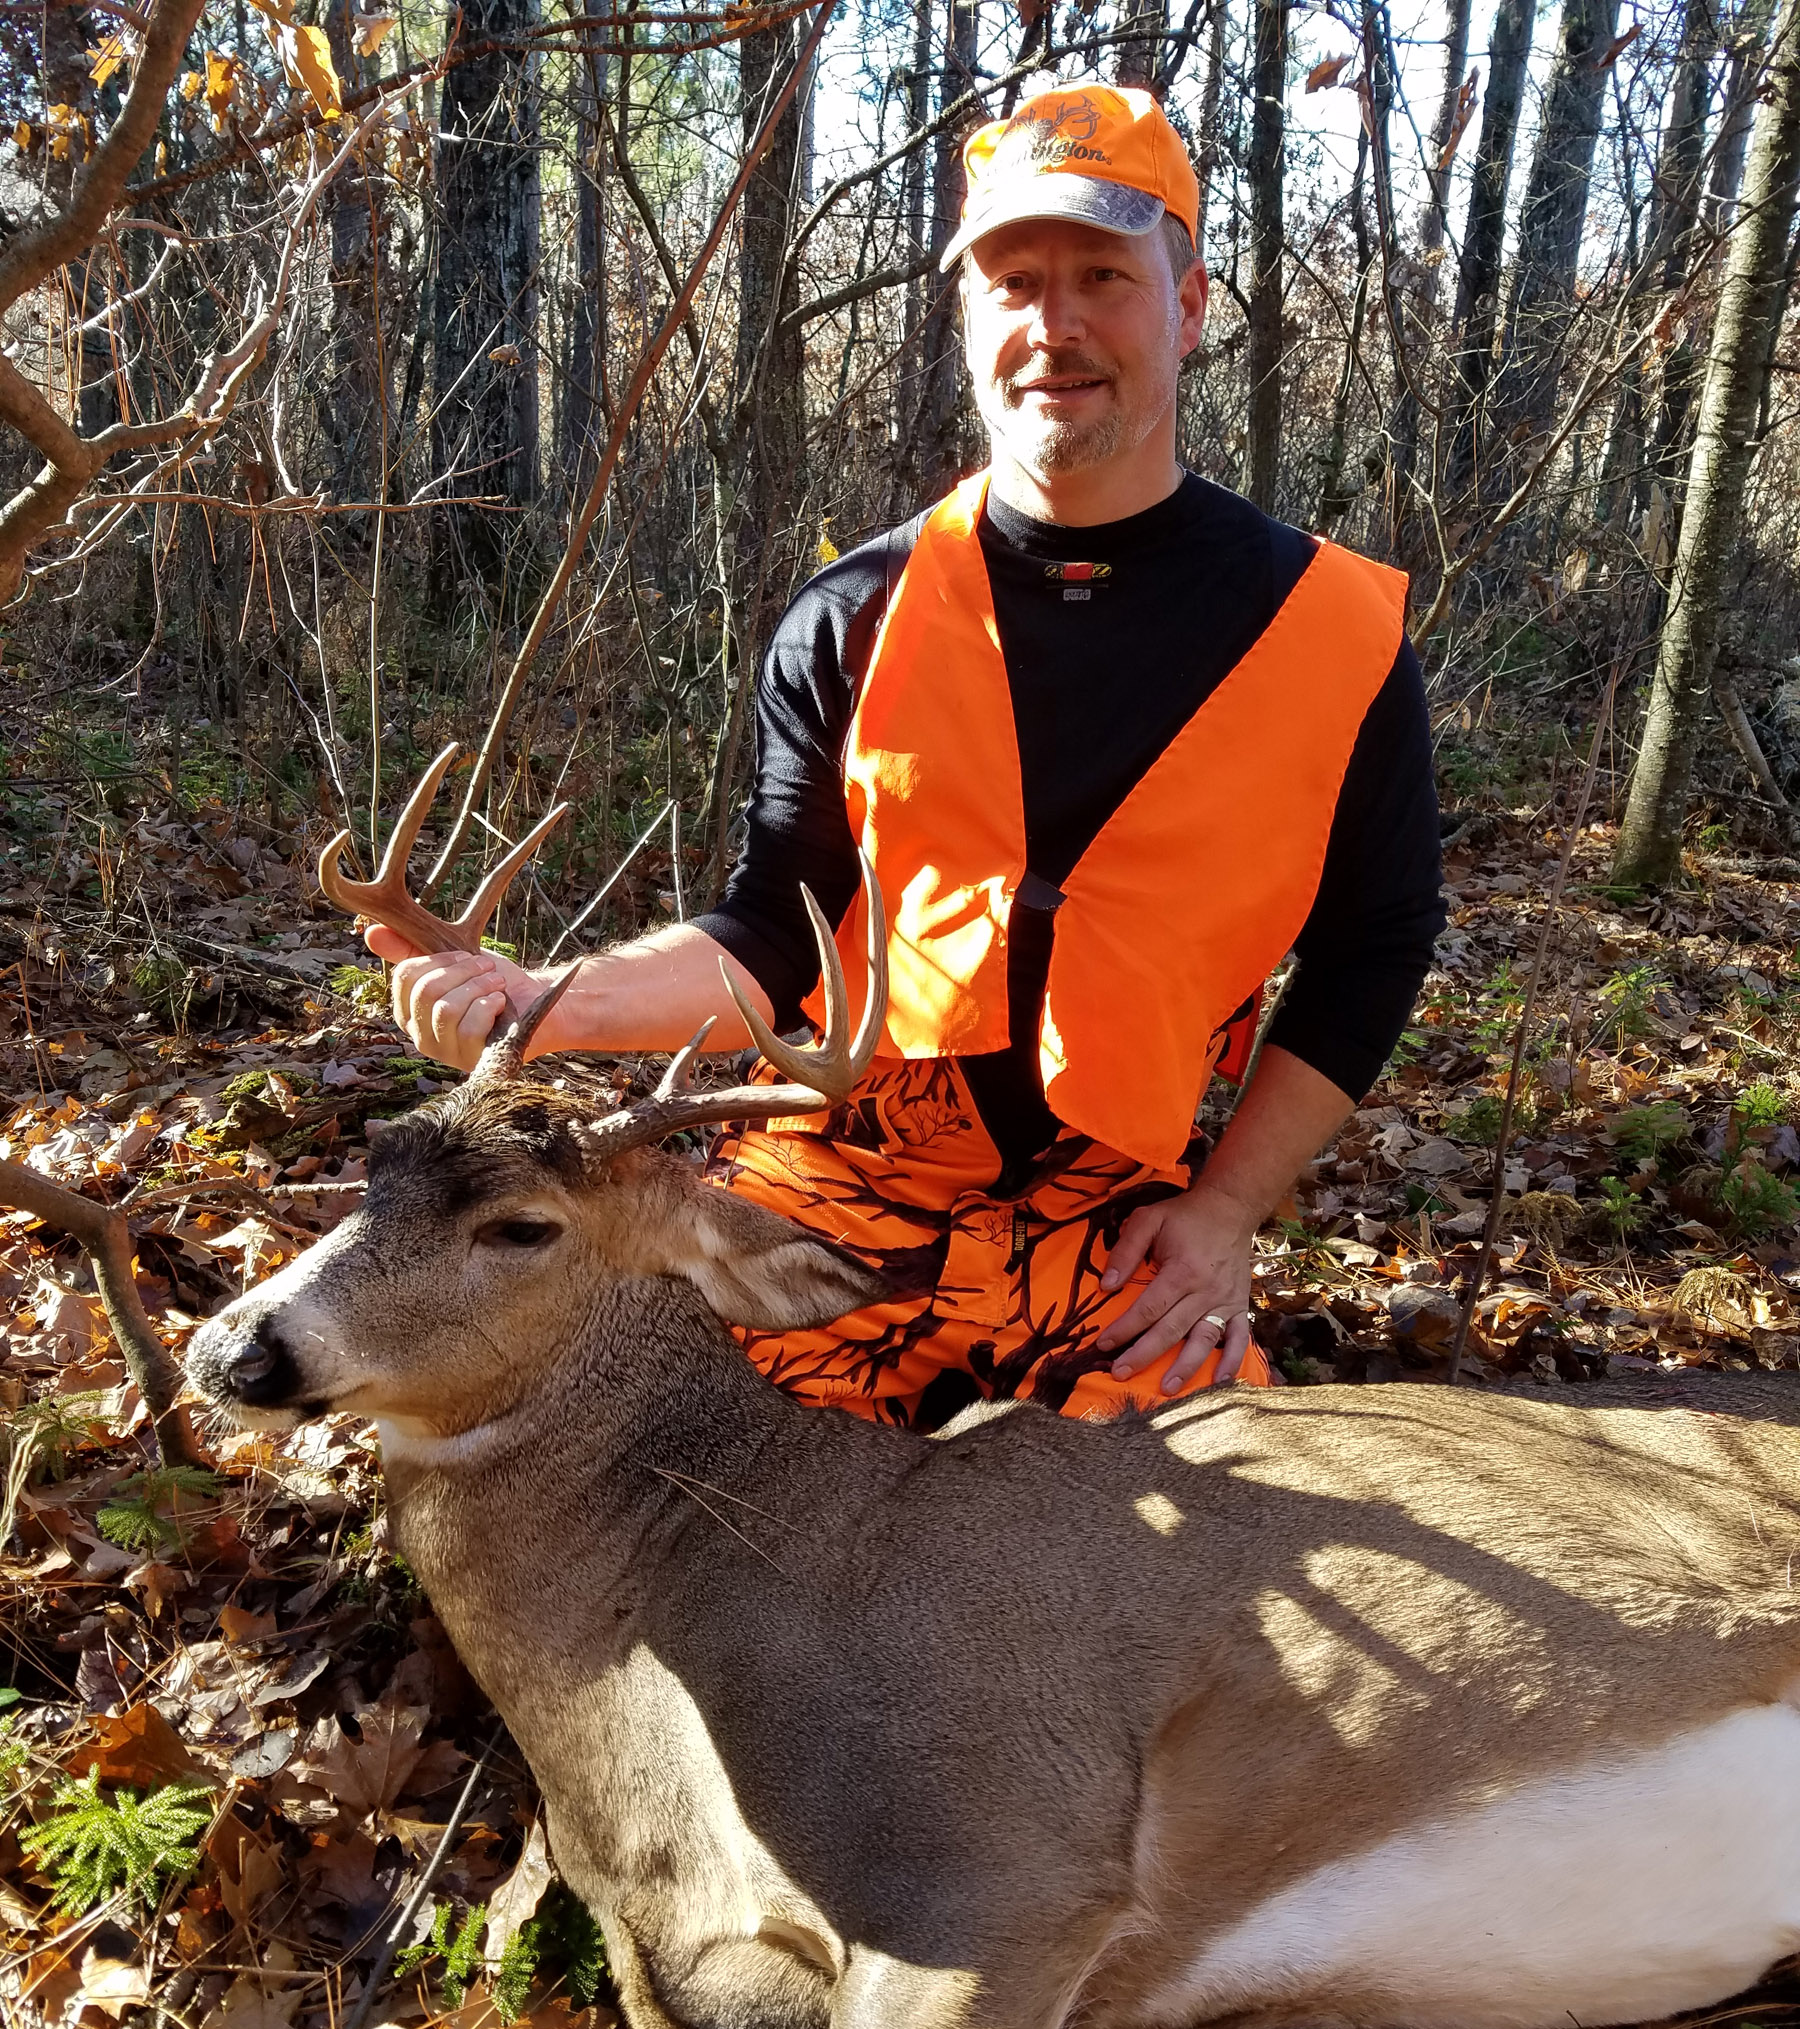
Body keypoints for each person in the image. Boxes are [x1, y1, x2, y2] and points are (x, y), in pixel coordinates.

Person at [367, 82, 1444, 1428]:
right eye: (1013, 282)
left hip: (1114, 1226)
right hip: (844, 1179)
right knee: (610, 1423)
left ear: (1188, 302)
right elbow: (770, 934)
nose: (1055, 324)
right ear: (970, 318)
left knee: (1209, 1548)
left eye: (1104, 275)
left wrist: (1225, 1213)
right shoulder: (857, 616)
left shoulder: (1330, 633)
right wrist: (543, 1002)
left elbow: (1377, 942)